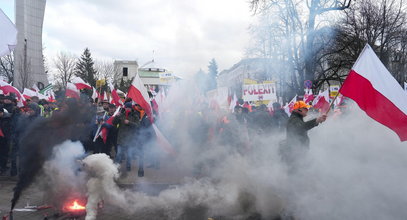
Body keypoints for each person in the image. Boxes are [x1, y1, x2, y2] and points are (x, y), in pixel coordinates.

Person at [280, 101, 327, 169]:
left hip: (297, 152)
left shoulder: (297, 118)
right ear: (299, 110)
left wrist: (317, 121)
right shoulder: (294, 119)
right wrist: (316, 120)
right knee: (297, 173)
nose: (307, 110)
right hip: (296, 154)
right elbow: (302, 127)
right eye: (305, 108)